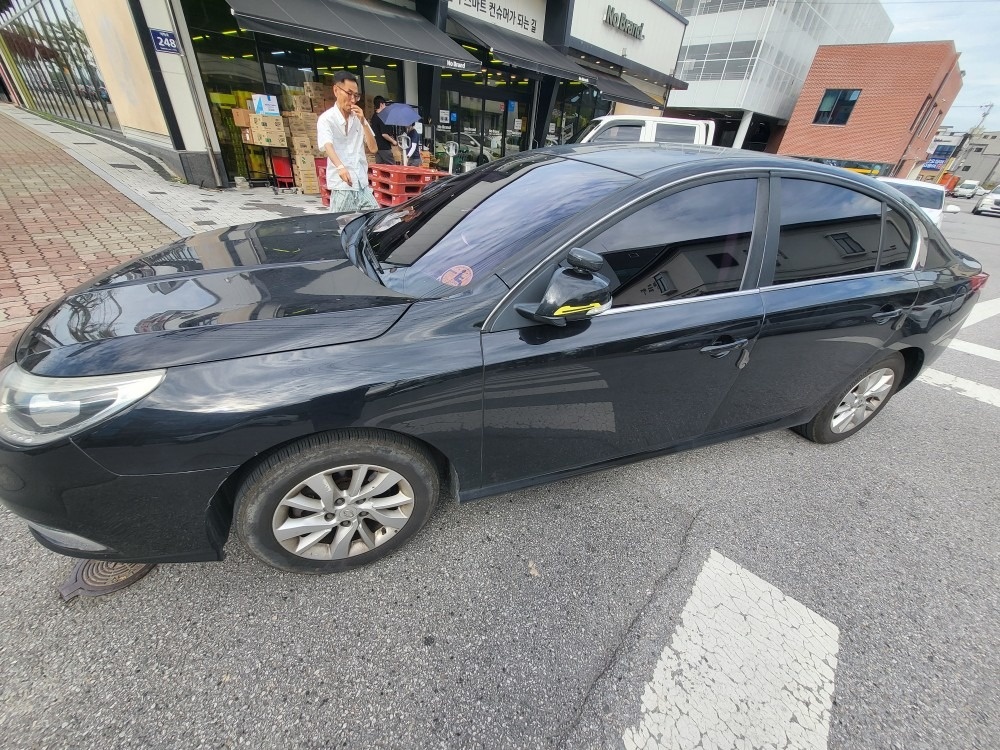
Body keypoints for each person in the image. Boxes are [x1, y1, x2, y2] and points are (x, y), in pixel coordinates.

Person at [316, 71, 378, 212]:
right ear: (336, 90)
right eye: (349, 93)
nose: (352, 99)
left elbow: (373, 148)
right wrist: (340, 167)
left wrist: (363, 122)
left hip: (362, 184)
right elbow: (327, 145)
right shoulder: (327, 119)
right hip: (341, 185)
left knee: (375, 223)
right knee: (341, 227)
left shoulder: (358, 118)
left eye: (356, 95)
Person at [370, 96, 398, 165]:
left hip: (377, 147)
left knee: (380, 168)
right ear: (381, 104)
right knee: (392, 167)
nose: (385, 107)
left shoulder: (374, 117)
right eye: (385, 105)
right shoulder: (382, 116)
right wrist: (393, 141)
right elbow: (384, 134)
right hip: (384, 147)